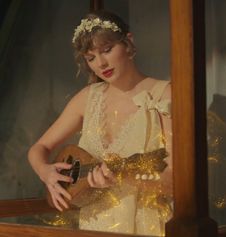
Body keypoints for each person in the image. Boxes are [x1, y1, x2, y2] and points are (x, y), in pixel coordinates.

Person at [28, 10, 173, 236]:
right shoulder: (88, 97)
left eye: (107, 50)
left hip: (147, 224)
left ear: (128, 43)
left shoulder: (163, 95)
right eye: (91, 57)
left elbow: (176, 180)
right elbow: (38, 149)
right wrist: (46, 173)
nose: (101, 63)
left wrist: (125, 178)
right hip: (94, 226)